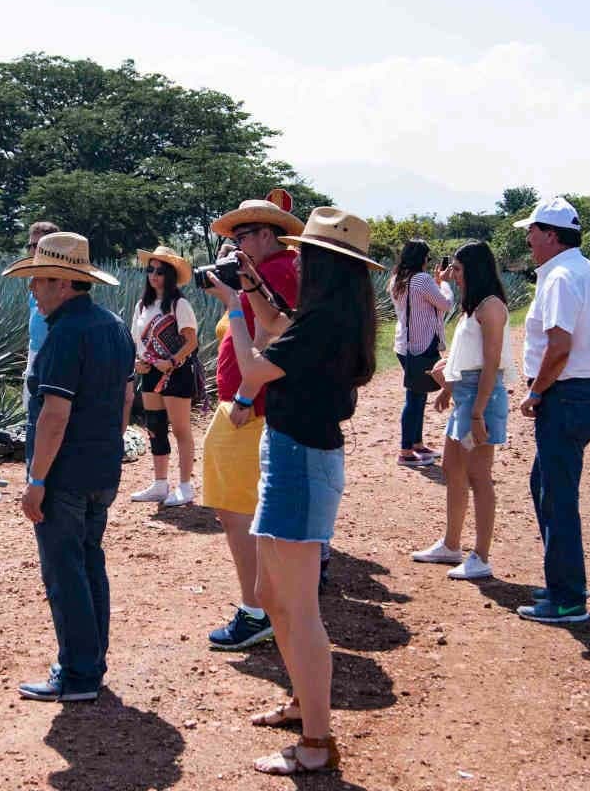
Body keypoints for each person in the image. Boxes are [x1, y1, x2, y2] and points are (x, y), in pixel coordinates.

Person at [205, 207, 380, 775]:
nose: (295, 257)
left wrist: (233, 305)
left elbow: (254, 371)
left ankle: (316, 743)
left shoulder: (324, 324)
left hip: (299, 464)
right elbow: (278, 328)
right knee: (275, 597)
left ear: (327, 265)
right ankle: (304, 706)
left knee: (299, 609)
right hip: (294, 457)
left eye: (306, 252)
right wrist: (253, 291)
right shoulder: (329, 317)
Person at [1, 232, 135, 702]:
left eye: (37, 280)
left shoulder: (64, 334)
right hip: (102, 469)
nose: (32, 290)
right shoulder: (113, 325)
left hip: (66, 475)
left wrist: (36, 479)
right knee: (89, 562)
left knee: (64, 571)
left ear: (61, 282)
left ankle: (78, 674)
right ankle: (89, 663)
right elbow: (125, 397)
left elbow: (54, 416)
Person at [200, 191, 303, 650]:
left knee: (238, 509)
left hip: (251, 406)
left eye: (243, 236)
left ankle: (256, 609)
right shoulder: (266, 272)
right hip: (248, 402)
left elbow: (268, 337)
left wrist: (245, 395)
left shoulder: (277, 271)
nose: (235, 245)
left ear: (267, 234)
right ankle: (265, 603)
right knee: (240, 507)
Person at [512, 197, 590, 624]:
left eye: (532, 232)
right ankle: (562, 583)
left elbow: (559, 347)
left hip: (565, 396)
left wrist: (535, 392)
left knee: (558, 497)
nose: (529, 239)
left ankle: (568, 598)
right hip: (585, 393)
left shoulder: (559, 278)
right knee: (547, 487)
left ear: (551, 235)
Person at [411, 241, 516, 579]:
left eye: (457, 269)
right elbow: (467, 355)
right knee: (452, 468)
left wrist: (476, 412)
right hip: (466, 396)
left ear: (475, 269)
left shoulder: (491, 308)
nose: (452, 276)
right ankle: (451, 543)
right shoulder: (475, 306)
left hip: (479, 399)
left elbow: (491, 365)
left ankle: (481, 555)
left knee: (478, 475)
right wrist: (448, 389)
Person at [129, 246, 199, 507]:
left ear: (170, 275)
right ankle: (160, 484)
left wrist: (171, 361)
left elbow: (191, 341)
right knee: (155, 427)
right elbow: (137, 341)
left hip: (176, 374)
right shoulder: (142, 305)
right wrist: (139, 362)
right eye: (150, 270)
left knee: (181, 430)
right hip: (149, 374)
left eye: (160, 271)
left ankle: (184, 486)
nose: (154, 275)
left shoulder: (180, 305)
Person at [389, 239, 454, 467]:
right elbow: (446, 304)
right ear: (422, 258)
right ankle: (406, 451)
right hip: (423, 344)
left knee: (418, 394)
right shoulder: (423, 280)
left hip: (405, 345)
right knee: (415, 397)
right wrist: (443, 283)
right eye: (427, 257)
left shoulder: (397, 279)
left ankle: (416, 444)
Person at [22, 221, 61, 409]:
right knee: (31, 409)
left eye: (37, 246)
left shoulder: (61, 282)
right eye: (30, 245)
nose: (32, 250)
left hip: (54, 353)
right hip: (35, 350)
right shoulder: (33, 279)